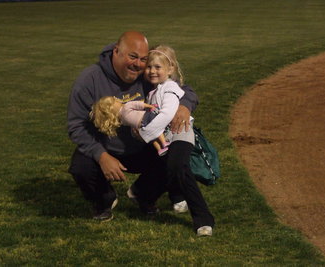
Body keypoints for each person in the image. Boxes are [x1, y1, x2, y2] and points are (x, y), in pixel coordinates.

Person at [67, 31, 198, 222]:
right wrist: (101, 156)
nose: (138, 64)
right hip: (107, 148)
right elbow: (76, 125)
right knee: (81, 167)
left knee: (173, 155)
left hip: (143, 146)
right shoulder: (89, 80)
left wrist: (185, 105)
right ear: (116, 51)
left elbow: (185, 90)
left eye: (143, 59)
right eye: (133, 56)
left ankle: (145, 195)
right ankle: (104, 200)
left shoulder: (147, 74)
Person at [136, 45, 215, 236]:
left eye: (157, 67)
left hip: (180, 133)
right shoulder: (155, 89)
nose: (152, 71)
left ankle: (203, 219)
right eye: (149, 67)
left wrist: (145, 132)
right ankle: (143, 194)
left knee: (178, 167)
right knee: (168, 168)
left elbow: (167, 115)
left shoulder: (170, 88)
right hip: (166, 136)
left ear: (170, 69)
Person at [90, 96, 170, 156]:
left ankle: (159, 149)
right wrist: (150, 106)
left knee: (152, 138)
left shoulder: (121, 120)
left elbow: (131, 124)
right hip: (145, 118)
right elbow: (139, 105)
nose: (117, 100)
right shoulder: (126, 106)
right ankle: (164, 143)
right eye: (115, 100)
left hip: (140, 128)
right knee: (156, 128)